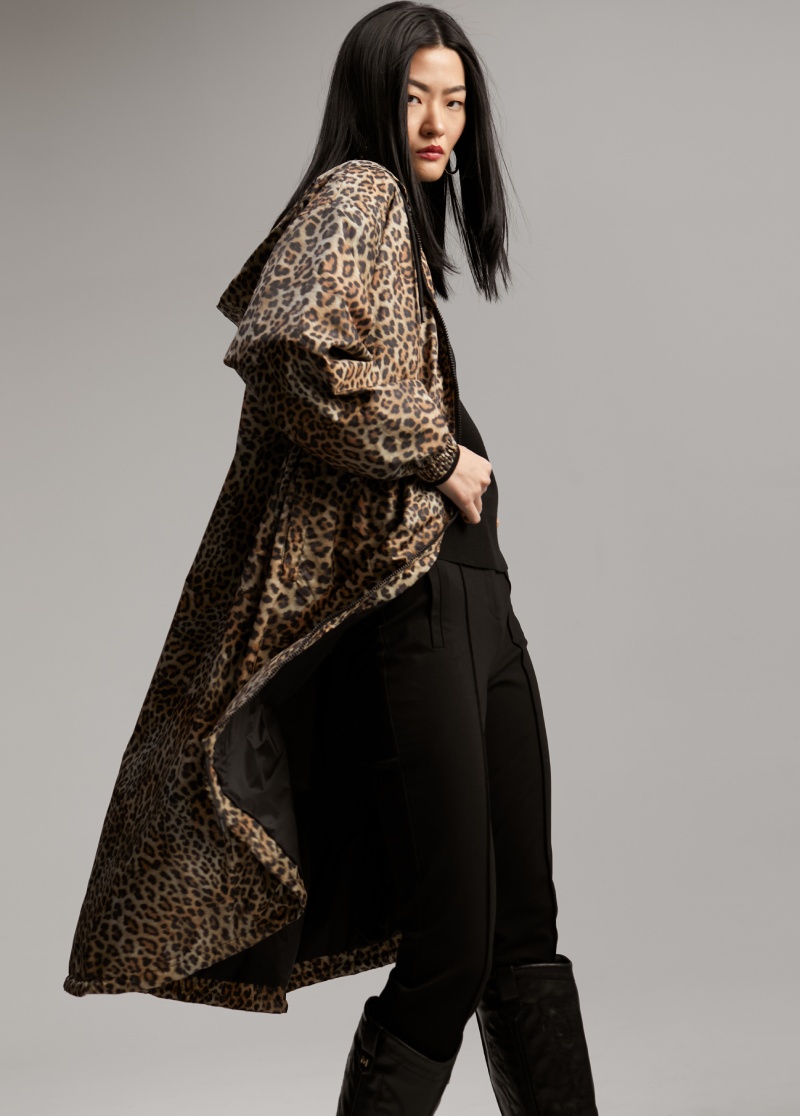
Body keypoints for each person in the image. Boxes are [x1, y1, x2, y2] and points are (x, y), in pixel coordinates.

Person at [63, 3, 599, 1114]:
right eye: (415, 98)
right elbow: (286, 350)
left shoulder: (406, 232)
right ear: (371, 100)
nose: (437, 124)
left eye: (455, 101)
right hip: (420, 599)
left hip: (478, 599)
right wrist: (435, 451)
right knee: (455, 946)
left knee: (521, 934)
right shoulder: (357, 193)